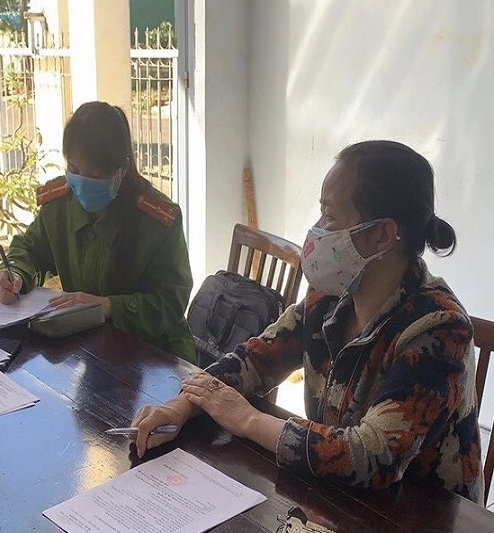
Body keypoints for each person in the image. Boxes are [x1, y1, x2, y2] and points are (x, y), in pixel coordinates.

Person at [132, 140, 483, 503]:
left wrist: (248, 419)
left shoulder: (440, 329)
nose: (317, 230)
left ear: (381, 235)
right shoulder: (329, 297)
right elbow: (254, 359)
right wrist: (180, 407)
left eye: (330, 216)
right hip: (338, 499)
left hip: (422, 522)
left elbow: (374, 456)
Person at [0, 101, 198, 363]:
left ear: (122, 170)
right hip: (88, 345)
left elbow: (172, 302)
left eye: (94, 175)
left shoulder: (156, 219)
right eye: (74, 170)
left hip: (157, 356)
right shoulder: (60, 204)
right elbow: (29, 250)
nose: (81, 182)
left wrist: (110, 307)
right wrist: (14, 273)